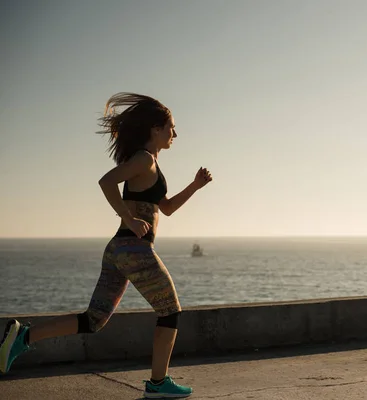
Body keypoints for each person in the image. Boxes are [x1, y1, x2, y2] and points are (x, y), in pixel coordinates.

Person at [0, 93, 213, 398]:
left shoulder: (150, 163)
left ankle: (24, 335)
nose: (174, 134)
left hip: (119, 250)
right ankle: (157, 383)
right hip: (133, 249)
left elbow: (165, 208)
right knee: (171, 311)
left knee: (93, 320)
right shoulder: (144, 158)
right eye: (171, 128)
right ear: (155, 128)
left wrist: (194, 186)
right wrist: (130, 217)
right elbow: (106, 181)